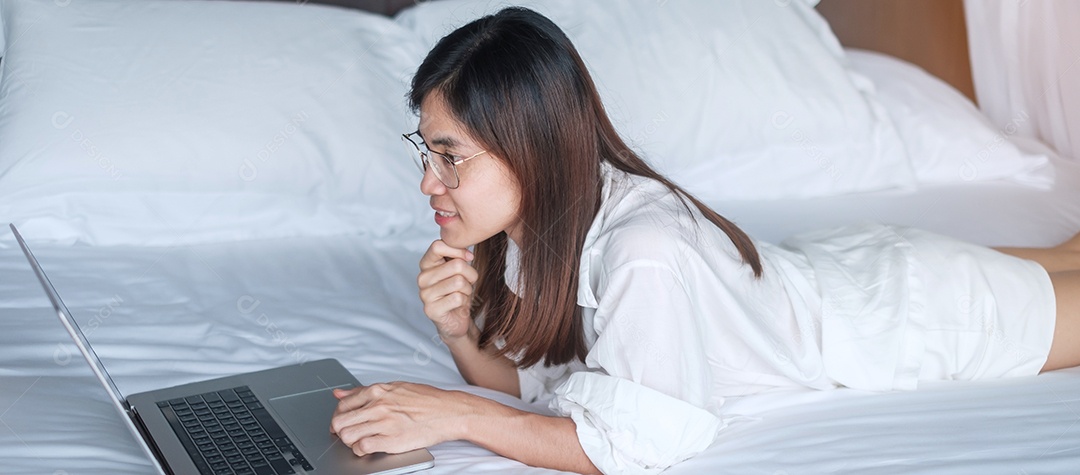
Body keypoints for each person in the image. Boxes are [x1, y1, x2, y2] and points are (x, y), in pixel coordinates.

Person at [329, 7, 1080, 474]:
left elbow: (625, 447)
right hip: (851, 273)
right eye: (424, 151)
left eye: (449, 155)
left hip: (915, 319)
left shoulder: (643, 252)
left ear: (525, 147)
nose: (429, 180)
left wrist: (455, 412)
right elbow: (549, 383)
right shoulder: (538, 229)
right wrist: (458, 332)